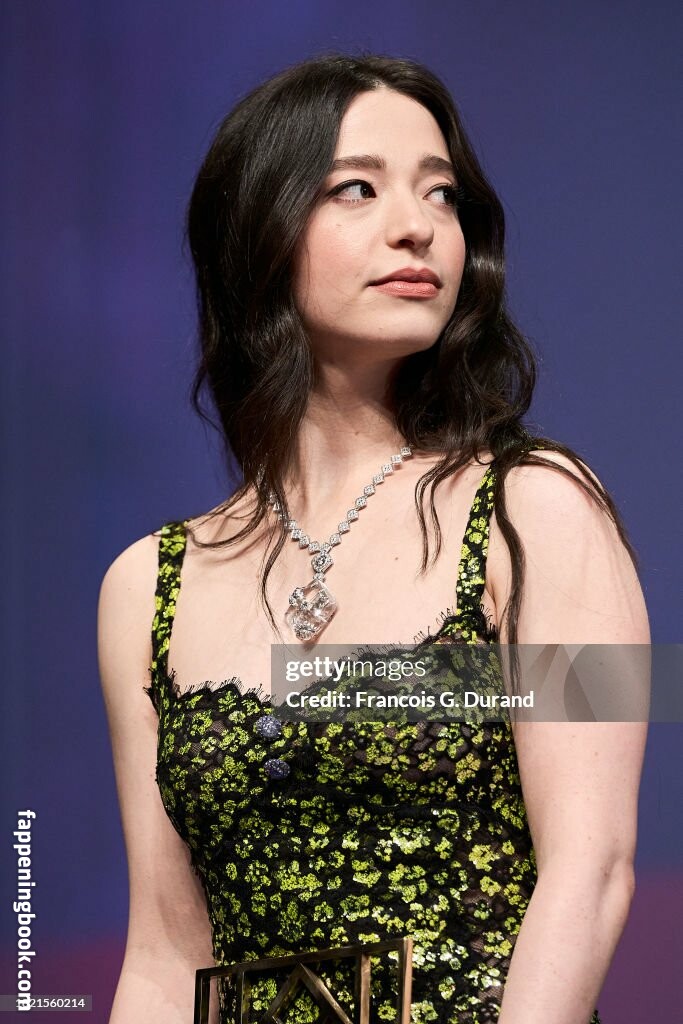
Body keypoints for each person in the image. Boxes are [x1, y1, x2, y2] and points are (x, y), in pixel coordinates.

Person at [98, 53, 649, 1024]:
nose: (416, 225)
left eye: (441, 193)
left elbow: (592, 870)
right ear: (256, 232)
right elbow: (163, 950)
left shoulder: (539, 507)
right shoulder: (146, 585)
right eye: (355, 188)